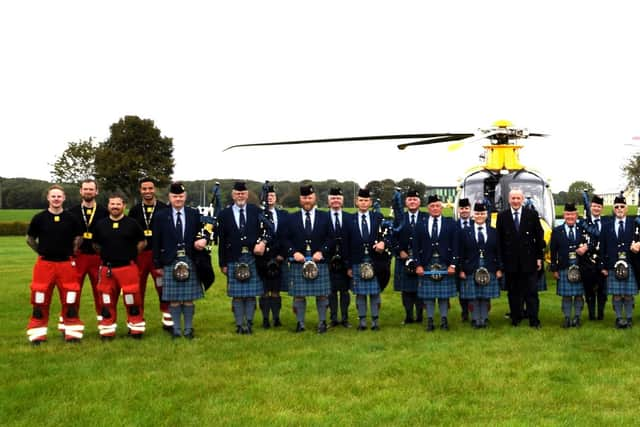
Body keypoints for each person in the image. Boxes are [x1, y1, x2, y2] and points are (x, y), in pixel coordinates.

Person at [26, 184, 84, 344]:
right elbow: (30, 239)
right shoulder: (39, 218)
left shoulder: (71, 218)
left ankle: (71, 333)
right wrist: (42, 252)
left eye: (59, 196)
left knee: (70, 298)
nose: (56, 199)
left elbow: (79, 238)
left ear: (64, 198)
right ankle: (37, 334)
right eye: (53, 196)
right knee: (40, 298)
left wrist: (71, 251)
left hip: (66, 264)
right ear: (48, 198)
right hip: (45, 265)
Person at [152, 182, 208, 339]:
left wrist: (203, 240)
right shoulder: (161, 216)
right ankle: (176, 330)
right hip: (170, 260)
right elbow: (156, 241)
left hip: (190, 258)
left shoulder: (193, 213)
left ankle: (189, 329)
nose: (178, 199)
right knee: (174, 299)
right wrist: (157, 263)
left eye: (181, 196)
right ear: (170, 197)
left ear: (185, 197)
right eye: (175, 196)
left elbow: (202, 232)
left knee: (189, 299)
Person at [92, 193, 147, 339]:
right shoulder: (100, 224)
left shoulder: (132, 224)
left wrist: (129, 254)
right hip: (107, 269)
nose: (115, 207)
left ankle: (136, 329)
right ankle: (107, 331)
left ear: (124, 206)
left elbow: (142, 242)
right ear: (108, 206)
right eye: (112, 204)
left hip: (127, 268)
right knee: (106, 299)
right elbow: (95, 245)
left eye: (118, 204)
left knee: (132, 299)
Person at [218, 181, 267, 334]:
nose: (240, 196)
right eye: (237, 193)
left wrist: (263, 242)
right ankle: (240, 324)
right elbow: (222, 240)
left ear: (247, 195)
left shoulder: (256, 211)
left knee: (251, 294)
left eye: (243, 193)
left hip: (253, 257)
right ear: (233, 195)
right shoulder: (224, 214)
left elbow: (268, 230)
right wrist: (222, 263)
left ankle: (250, 323)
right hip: (233, 257)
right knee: (237, 296)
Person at [285, 185, 334, 333]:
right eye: (304, 198)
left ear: (315, 198)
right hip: (298, 261)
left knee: (322, 294)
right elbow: (285, 239)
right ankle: (300, 323)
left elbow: (331, 238)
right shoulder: (291, 217)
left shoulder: (325, 216)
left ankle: (322, 322)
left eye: (310, 198)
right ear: (300, 199)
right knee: (299, 295)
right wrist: (293, 253)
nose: (307, 200)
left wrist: (322, 252)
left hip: (319, 261)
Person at [496, 188, 545, 328]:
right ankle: (515, 318)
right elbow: (499, 242)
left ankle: (534, 320)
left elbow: (539, 238)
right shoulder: (502, 216)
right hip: (510, 262)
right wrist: (500, 263)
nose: (516, 201)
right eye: (513, 198)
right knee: (513, 293)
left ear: (522, 199)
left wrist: (539, 258)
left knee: (531, 292)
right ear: (509, 200)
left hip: (529, 261)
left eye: (518, 198)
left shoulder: (532, 214)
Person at [127, 177, 172, 331]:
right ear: (140, 190)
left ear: (155, 189)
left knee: (163, 287)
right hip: (140, 255)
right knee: (137, 288)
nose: (147, 191)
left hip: (157, 256)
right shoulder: (134, 211)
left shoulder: (164, 209)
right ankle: (136, 321)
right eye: (144, 189)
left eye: (150, 188)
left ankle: (168, 321)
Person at [67, 179, 109, 325]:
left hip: (97, 257)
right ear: (81, 191)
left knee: (101, 290)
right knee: (73, 289)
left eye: (91, 189)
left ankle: (104, 322)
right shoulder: (71, 212)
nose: (88, 192)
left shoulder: (104, 212)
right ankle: (70, 320)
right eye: (85, 189)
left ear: (96, 191)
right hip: (78, 257)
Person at [415, 194, 459, 331]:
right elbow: (415, 246)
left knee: (443, 295)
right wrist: (418, 265)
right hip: (426, 262)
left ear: (442, 207)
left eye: (437, 206)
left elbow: (456, 245)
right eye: (432, 206)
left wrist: (453, 264)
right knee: (429, 295)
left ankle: (444, 320)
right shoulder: (420, 224)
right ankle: (430, 320)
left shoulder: (450, 223)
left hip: (445, 261)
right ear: (428, 208)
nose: (435, 208)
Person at [346, 188, 386, 330]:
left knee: (375, 292)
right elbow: (346, 244)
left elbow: (387, 235)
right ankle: (362, 321)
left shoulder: (378, 217)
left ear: (370, 202)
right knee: (360, 294)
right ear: (357, 202)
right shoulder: (349, 219)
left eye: (366, 200)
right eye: (361, 200)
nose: (363, 203)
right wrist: (349, 266)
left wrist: (383, 242)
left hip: (375, 260)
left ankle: (375, 321)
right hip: (357, 260)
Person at [457, 202, 502, 328]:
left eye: (482, 213)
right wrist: (460, 269)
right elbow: (461, 252)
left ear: (486, 215)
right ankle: (476, 319)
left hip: (490, 266)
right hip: (471, 266)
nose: (480, 216)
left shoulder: (493, 232)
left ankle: (485, 318)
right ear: (473, 215)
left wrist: (499, 268)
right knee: (474, 296)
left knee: (485, 295)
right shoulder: (465, 232)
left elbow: (498, 251)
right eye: (477, 213)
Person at [600, 195, 640, 329]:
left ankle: (628, 318)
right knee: (616, 294)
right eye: (616, 207)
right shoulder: (606, 225)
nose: (619, 209)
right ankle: (618, 318)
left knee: (628, 294)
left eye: (622, 206)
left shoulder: (635, 223)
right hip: (612, 264)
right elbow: (603, 247)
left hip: (630, 263)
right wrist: (603, 266)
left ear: (626, 208)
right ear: (613, 208)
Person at [550, 203, 588, 328]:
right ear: (564, 215)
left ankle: (577, 317)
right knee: (566, 296)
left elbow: (592, 242)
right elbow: (553, 251)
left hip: (580, 266)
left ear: (576, 215)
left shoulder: (583, 229)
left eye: (572, 214)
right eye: (567, 214)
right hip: (563, 266)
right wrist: (554, 269)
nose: (570, 216)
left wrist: (586, 247)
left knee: (578, 295)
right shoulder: (557, 231)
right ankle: (567, 318)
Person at [256, 184, 289, 329]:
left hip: (279, 257)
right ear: (263, 198)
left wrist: (282, 255)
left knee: (275, 290)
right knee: (264, 291)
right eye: (267, 196)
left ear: (276, 198)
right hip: (262, 257)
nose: (270, 198)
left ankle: (276, 318)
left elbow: (287, 236)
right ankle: (264, 319)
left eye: (272, 196)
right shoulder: (257, 215)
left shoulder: (284, 215)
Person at [393, 188, 427, 324]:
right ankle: (408, 316)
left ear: (419, 202)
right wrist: (399, 251)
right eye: (410, 199)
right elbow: (392, 237)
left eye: (415, 199)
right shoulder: (400, 218)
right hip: (403, 258)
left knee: (420, 287)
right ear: (406, 202)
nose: (412, 202)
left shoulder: (426, 217)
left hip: (421, 258)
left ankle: (419, 316)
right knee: (406, 290)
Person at [326, 187, 352, 328]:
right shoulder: (323, 217)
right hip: (328, 260)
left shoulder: (349, 217)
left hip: (345, 259)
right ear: (328, 201)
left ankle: (345, 318)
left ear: (342, 201)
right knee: (331, 290)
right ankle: (333, 318)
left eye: (338, 198)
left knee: (344, 290)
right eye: (333, 198)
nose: (335, 200)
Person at [581, 194, 608, 320]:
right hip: (587, 262)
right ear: (590, 207)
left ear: (602, 208)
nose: (596, 208)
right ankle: (591, 315)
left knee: (602, 290)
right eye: (594, 206)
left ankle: (601, 314)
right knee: (589, 290)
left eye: (598, 206)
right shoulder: (584, 223)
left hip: (602, 261)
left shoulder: (607, 222)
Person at [456, 198, 473, 322]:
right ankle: (464, 312)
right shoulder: (453, 225)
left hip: (473, 261)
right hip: (458, 261)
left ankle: (476, 312)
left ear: (470, 209)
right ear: (458, 210)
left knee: (474, 287)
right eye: (462, 208)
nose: (464, 211)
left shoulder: (476, 223)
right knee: (462, 289)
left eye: (466, 208)